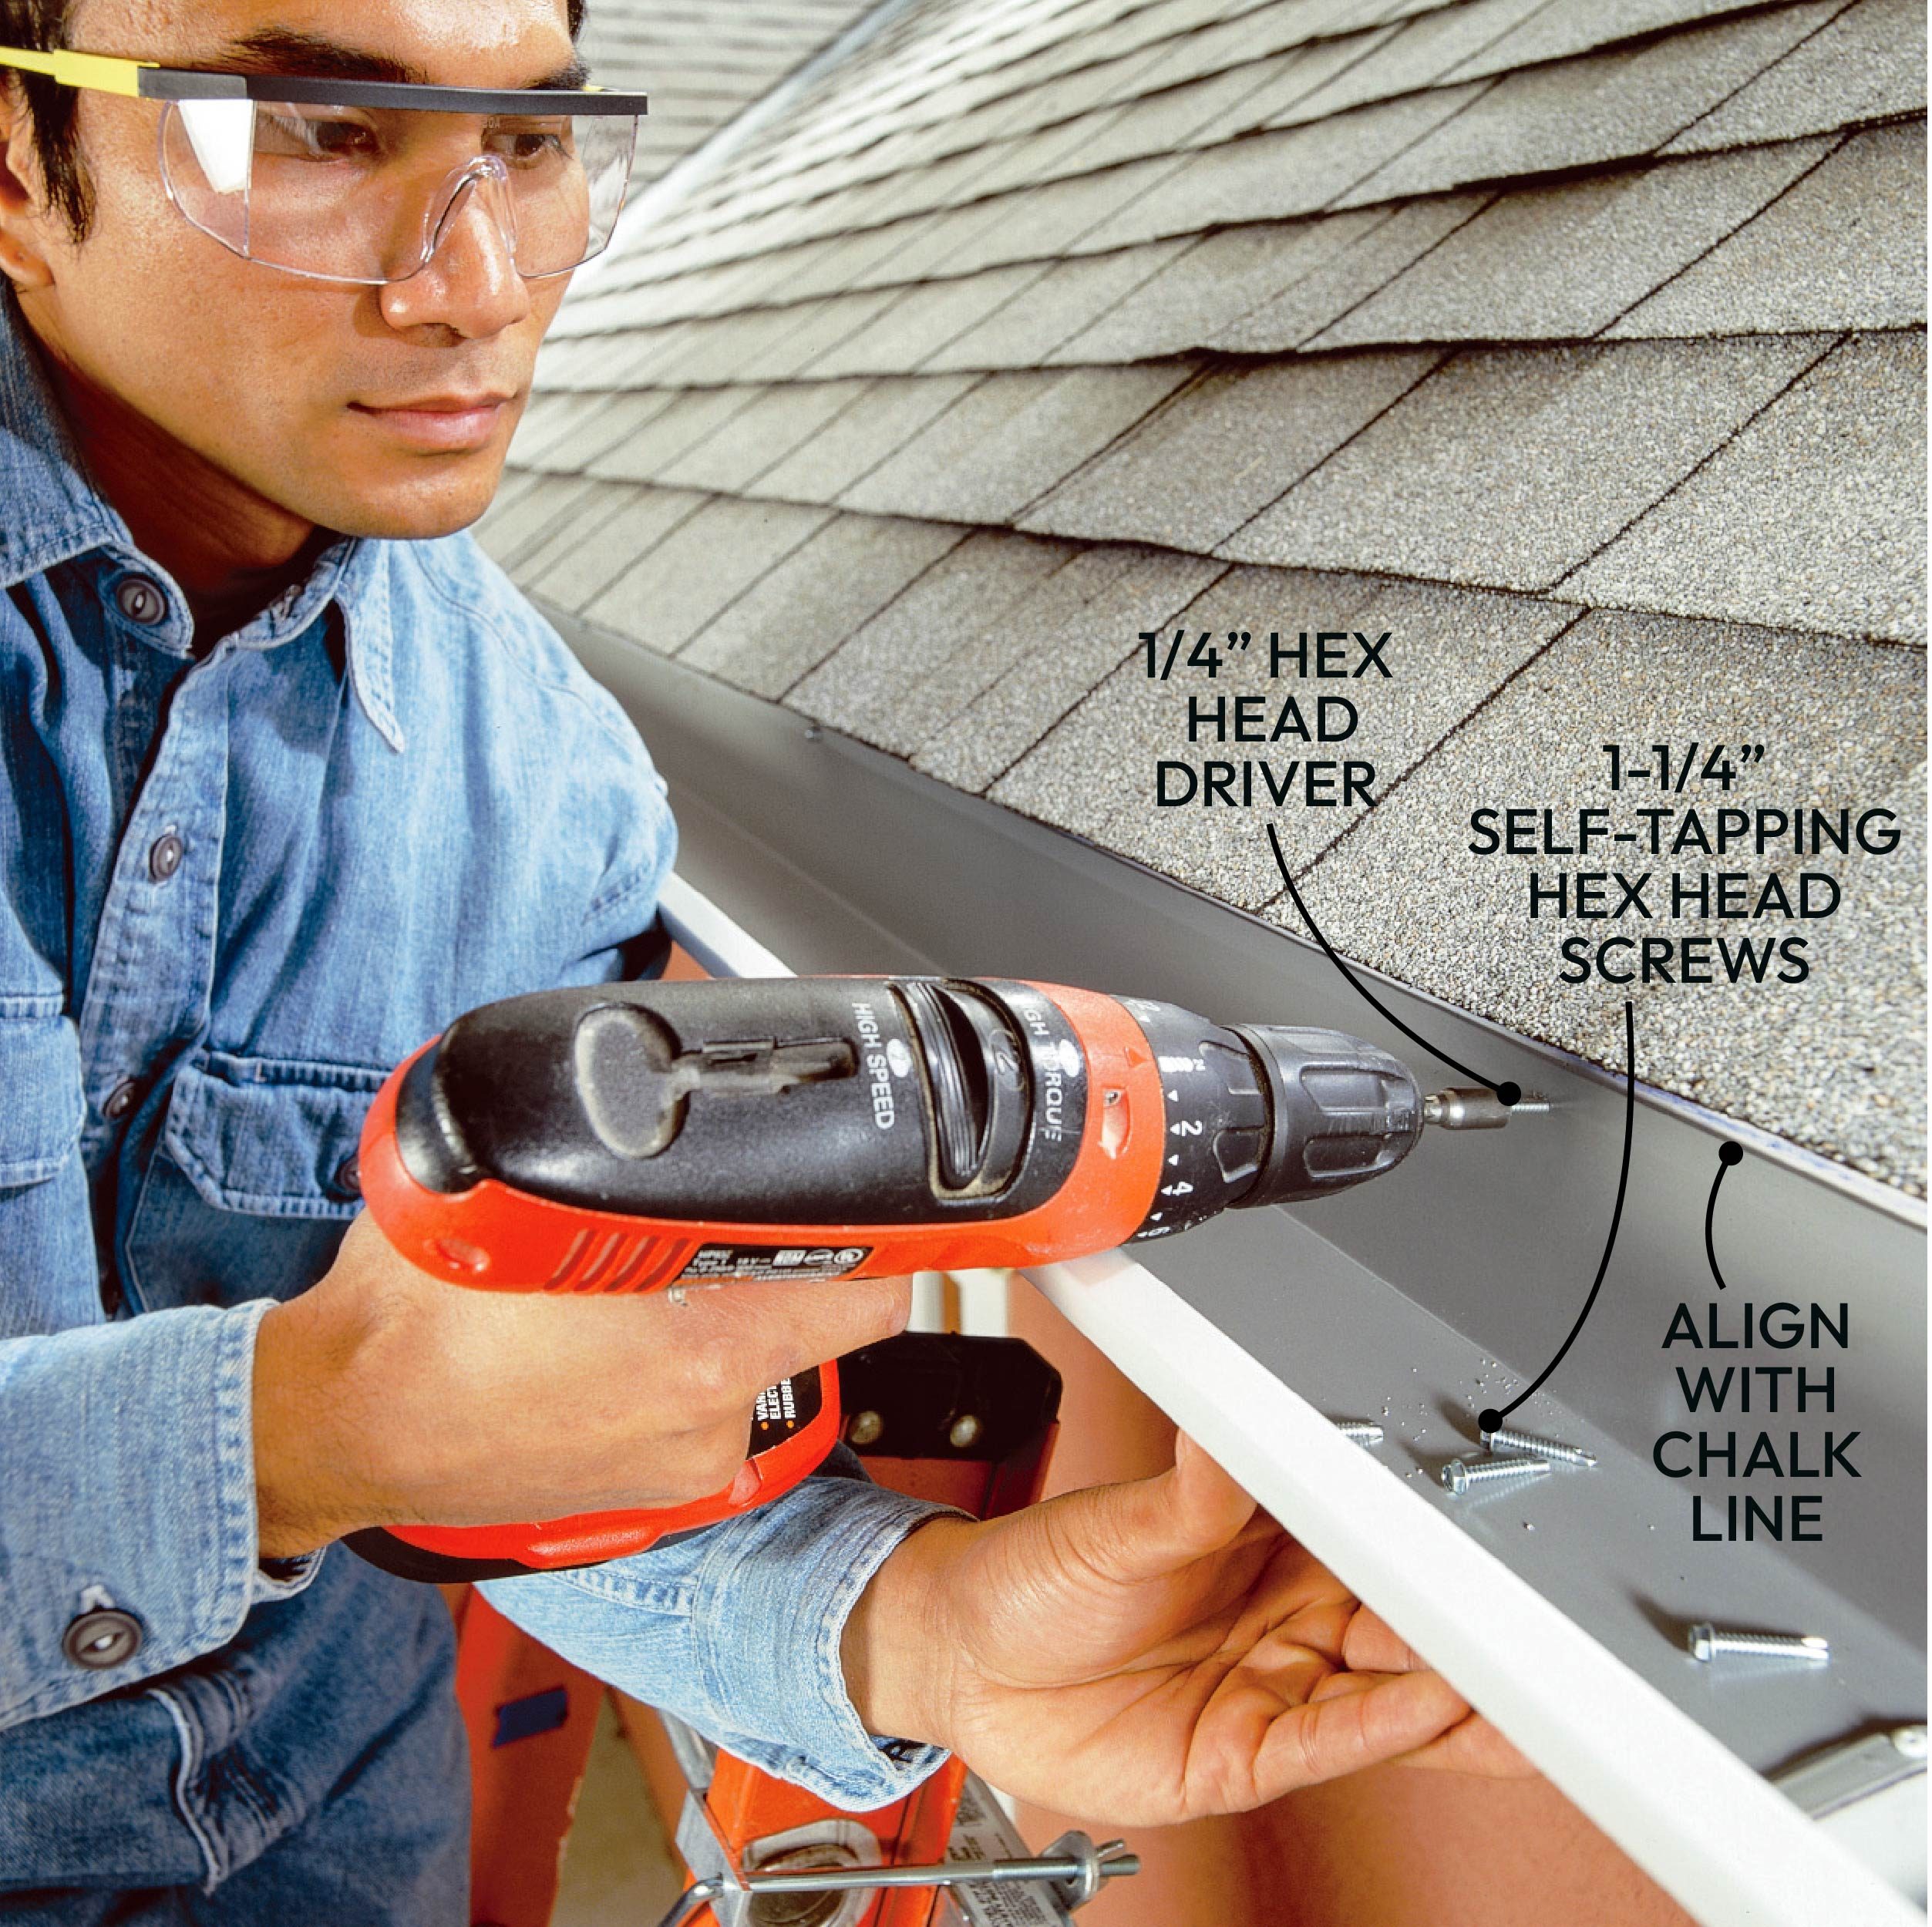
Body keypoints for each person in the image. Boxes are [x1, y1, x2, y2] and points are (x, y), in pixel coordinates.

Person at [0, 1, 1522, 1917]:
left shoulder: (541, 790)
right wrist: (297, 1427)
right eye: (319, 136)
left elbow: (495, 1450)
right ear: (18, 173)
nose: (473, 283)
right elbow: (376, 1422)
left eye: (532, 147)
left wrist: (909, 1633)